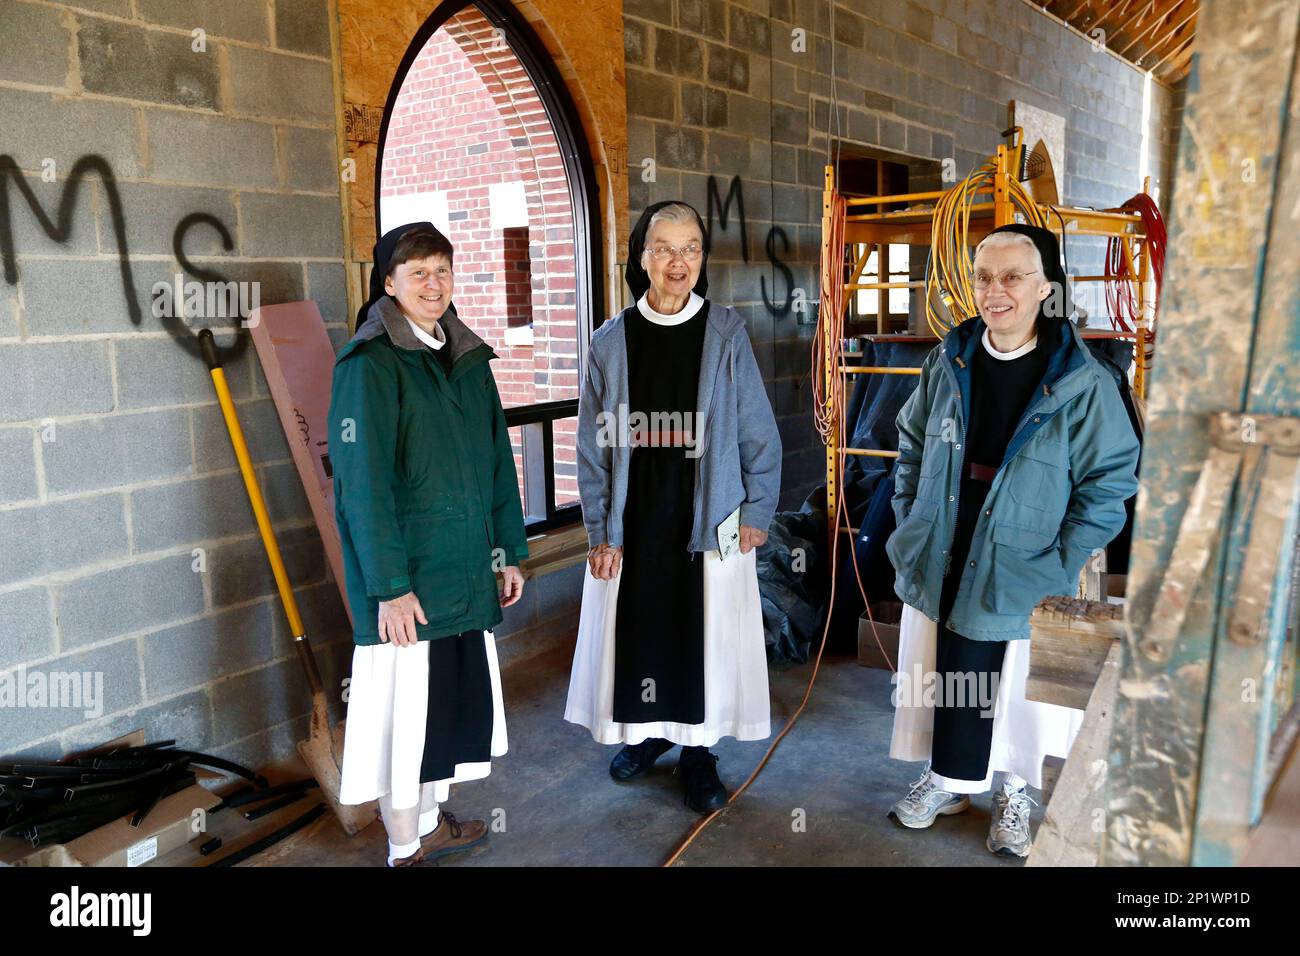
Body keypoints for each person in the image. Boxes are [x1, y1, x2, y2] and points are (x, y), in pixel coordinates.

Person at [884, 223, 1139, 857]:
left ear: (1044, 288)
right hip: (946, 532)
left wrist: (1061, 560)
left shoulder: (1083, 380)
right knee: (943, 670)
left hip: (1028, 552)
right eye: (984, 277)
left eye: (1012, 277)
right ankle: (949, 778)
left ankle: (1016, 790)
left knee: (1019, 684)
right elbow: (911, 441)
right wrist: (909, 512)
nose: (995, 292)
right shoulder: (949, 359)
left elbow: (1109, 484)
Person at [565, 201, 782, 813]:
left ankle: (699, 754)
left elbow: (757, 432)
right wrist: (599, 530)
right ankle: (650, 737)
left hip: (708, 520)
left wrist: (759, 511)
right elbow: (591, 448)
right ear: (643, 257)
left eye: (690, 248)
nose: (677, 261)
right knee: (641, 635)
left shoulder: (726, 334)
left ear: (702, 259)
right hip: (633, 522)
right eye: (664, 248)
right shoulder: (610, 342)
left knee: (705, 641)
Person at [328, 222, 528, 867]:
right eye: (417, 272)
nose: (433, 283)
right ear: (388, 283)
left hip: (464, 569)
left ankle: (433, 823)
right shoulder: (371, 364)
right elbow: (362, 488)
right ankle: (403, 847)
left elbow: (498, 460)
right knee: (405, 720)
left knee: (444, 709)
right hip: (409, 584)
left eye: (442, 270)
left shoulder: (465, 358)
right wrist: (388, 587)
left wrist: (509, 551)